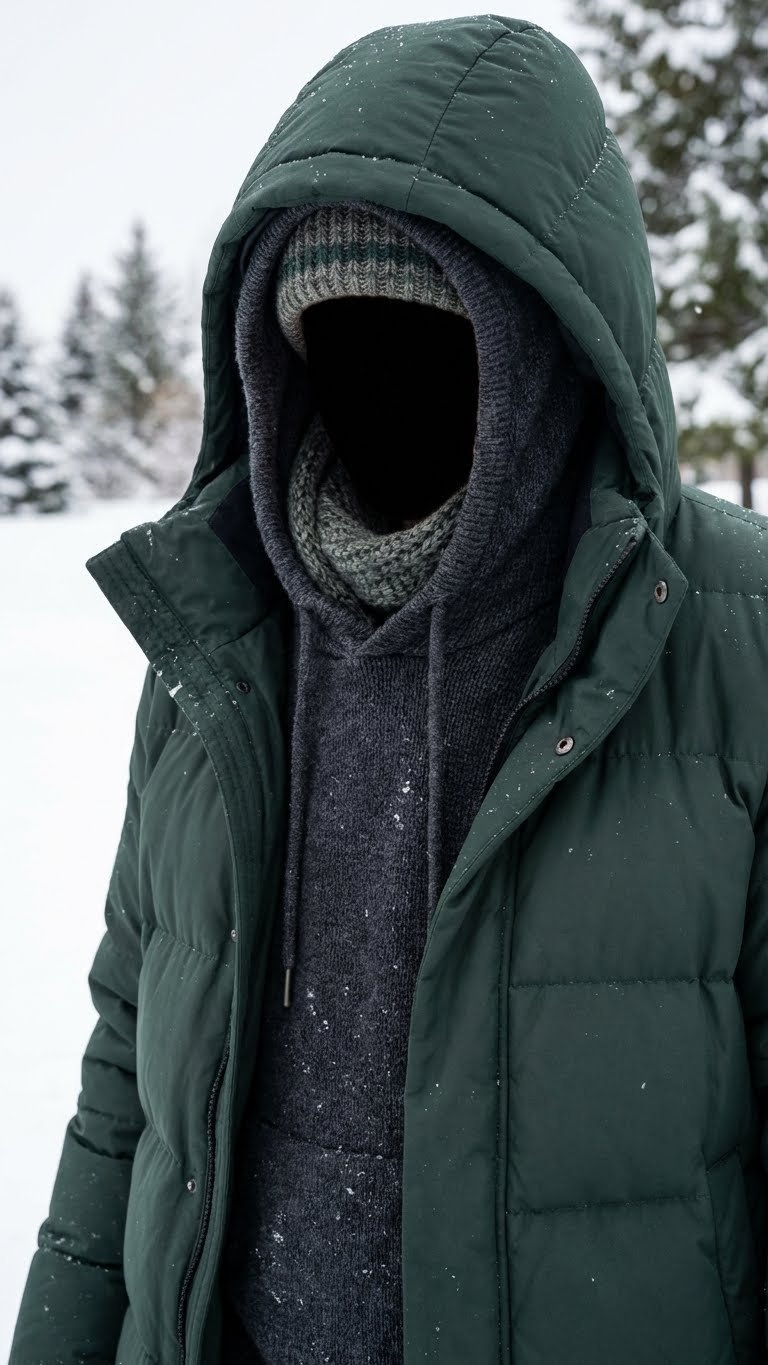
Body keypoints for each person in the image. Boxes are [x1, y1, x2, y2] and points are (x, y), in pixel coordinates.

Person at [9, 14, 768, 1365]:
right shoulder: (220, 638)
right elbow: (131, 1063)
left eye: (428, 336)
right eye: (328, 341)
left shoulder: (723, 634)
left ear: (544, 353)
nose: (371, 389)